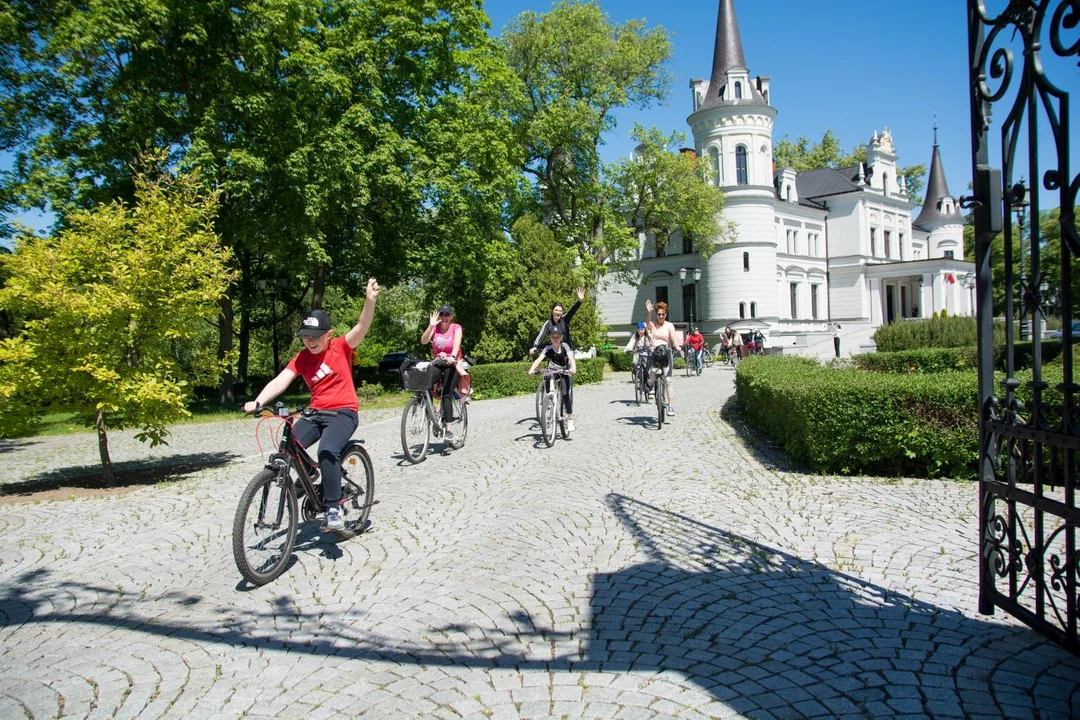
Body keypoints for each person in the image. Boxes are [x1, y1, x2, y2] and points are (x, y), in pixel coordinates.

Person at [244, 278, 380, 531]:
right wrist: (259, 401)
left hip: (343, 413)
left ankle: (333, 507)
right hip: (316, 412)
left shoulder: (340, 346)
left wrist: (369, 301)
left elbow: (362, 325)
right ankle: (311, 475)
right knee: (285, 449)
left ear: (328, 335)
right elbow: (281, 380)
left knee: (327, 450)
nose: (310, 340)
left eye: (316, 336)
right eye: (305, 336)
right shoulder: (302, 358)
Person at [420, 304, 463, 440]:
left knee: (446, 395)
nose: (444, 317)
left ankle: (449, 429)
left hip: (452, 363)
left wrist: (453, 357)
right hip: (438, 363)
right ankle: (433, 411)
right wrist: (431, 326)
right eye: (441, 314)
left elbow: (456, 345)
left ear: (451, 316)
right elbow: (423, 341)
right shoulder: (435, 328)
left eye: (447, 314)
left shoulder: (456, 328)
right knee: (425, 382)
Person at [527, 326, 577, 432]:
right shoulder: (548, 348)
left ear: (561, 338)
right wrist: (531, 369)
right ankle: (549, 397)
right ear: (550, 338)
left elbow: (571, 359)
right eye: (553, 337)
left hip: (564, 372)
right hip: (553, 371)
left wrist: (573, 368)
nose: (555, 338)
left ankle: (570, 418)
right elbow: (539, 359)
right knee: (547, 376)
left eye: (557, 337)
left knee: (565, 395)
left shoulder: (565, 346)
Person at [645, 298, 680, 416]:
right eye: (658, 314)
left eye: (663, 314)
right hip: (655, 352)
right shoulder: (653, 325)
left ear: (666, 314)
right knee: (652, 371)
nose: (660, 316)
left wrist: (677, 347)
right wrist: (649, 312)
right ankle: (652, 387)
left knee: (668, 381)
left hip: (666, 353)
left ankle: (670, 405)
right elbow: (647, 324)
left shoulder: (669, 326)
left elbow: (674, 339)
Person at [530, 287, 585, 355]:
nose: (558, 312)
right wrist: (535, 347)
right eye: (556, 310)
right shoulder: (548, 323)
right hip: (554, 354)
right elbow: (541, 335)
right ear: (552, 311)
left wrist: (579, 301)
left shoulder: (565, 319)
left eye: (560, 311)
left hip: (567, 353)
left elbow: (572, 311)